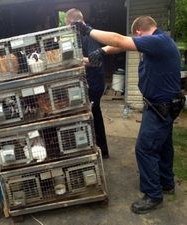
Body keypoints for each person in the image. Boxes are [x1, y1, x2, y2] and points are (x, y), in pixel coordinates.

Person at [76, 16, 185, 214]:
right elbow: (121, 46)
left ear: (139, 33)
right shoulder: (159, 40)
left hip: (160, 107)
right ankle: (166, 183)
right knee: (163, 145)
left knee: (145, 149)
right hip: (165, 105)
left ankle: (153, 195)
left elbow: (119, 40)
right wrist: (101, 51)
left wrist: (87, 29)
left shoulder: (158, 41)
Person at [65, 8, 110, 158]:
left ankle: (100, 150)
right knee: (94, 114)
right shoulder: (81, 36)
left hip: (95, 82)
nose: (67, 28)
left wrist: (75, 59)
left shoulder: (88, 36)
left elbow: (94, 61)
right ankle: (98, 149)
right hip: (90, 81)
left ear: (74, 22)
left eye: (67, 25)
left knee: (93, 115)